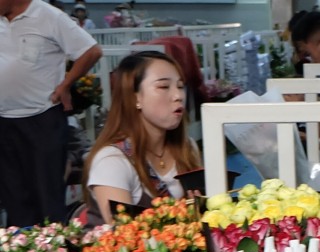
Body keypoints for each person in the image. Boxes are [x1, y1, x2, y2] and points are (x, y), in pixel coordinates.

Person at [0, 0, 102, 227]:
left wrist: (66, 85)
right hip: (4, 121)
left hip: (42, 118)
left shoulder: (48, 16)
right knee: (13, 196)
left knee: (47, 195)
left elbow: (92, 51)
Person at [82, 51, 200, 226]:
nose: (178, 96)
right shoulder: (111, 161)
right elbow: (125, 241)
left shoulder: (188, 147)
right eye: (164, 87)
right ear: (135, 97)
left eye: (181, 86)